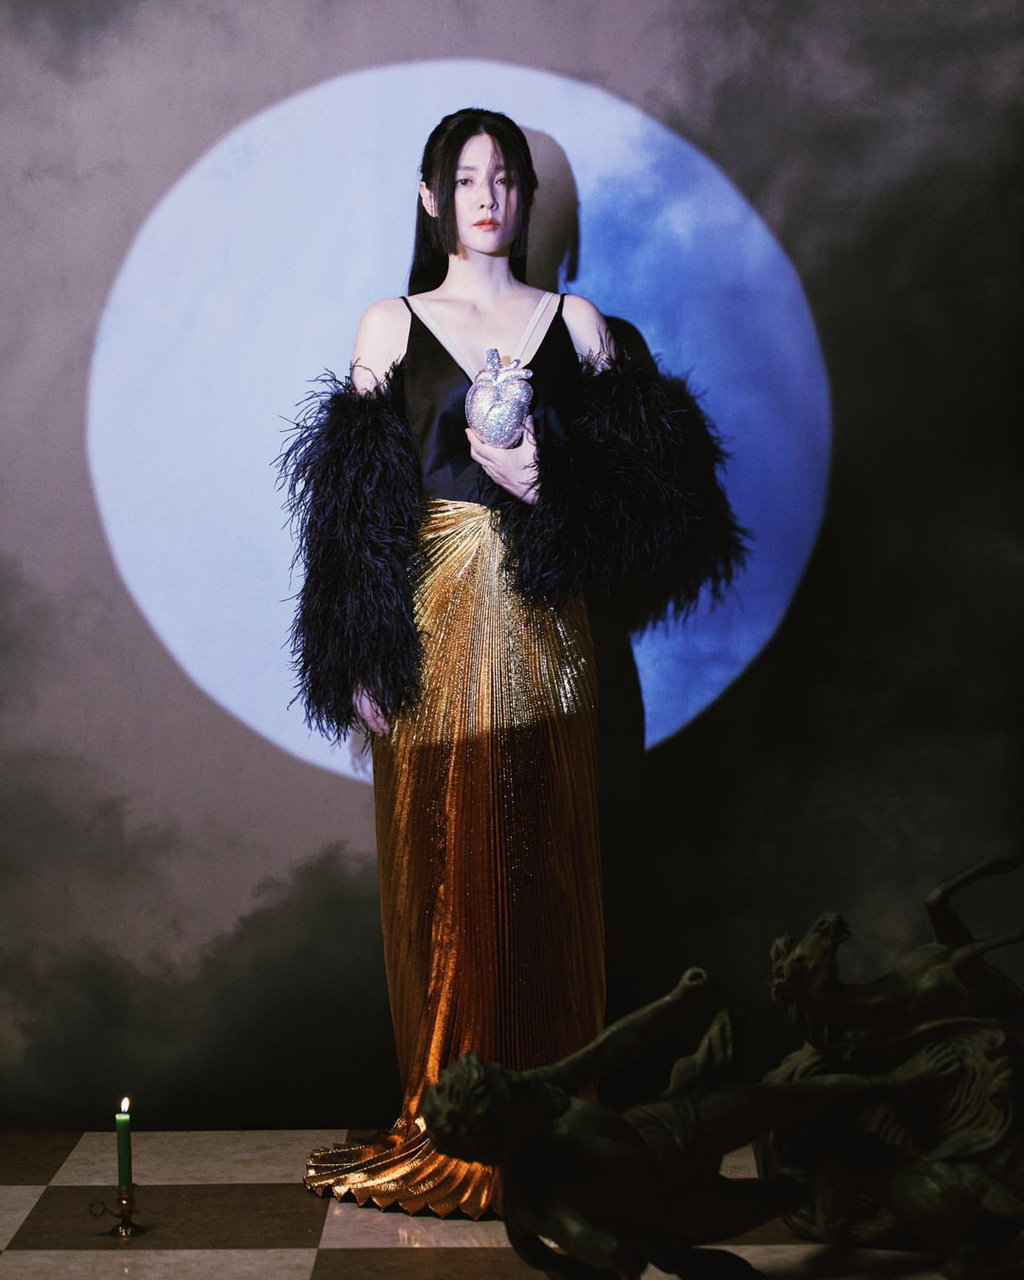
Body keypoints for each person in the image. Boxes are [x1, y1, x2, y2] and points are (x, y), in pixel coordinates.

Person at [279, 107, 747, 1219]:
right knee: (440, 873)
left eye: (506, 177)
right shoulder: (391, 324)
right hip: (427, 631)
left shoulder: (578, 325)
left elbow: (668, 502)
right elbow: (351, 517)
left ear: (527, 198)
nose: (487, 196)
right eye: (465, 176)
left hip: (546, 634)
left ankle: (549, 1121)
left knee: (543, 874)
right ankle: (451, 1118)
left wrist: (547, 485)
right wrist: (353, 651)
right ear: (431, 196)